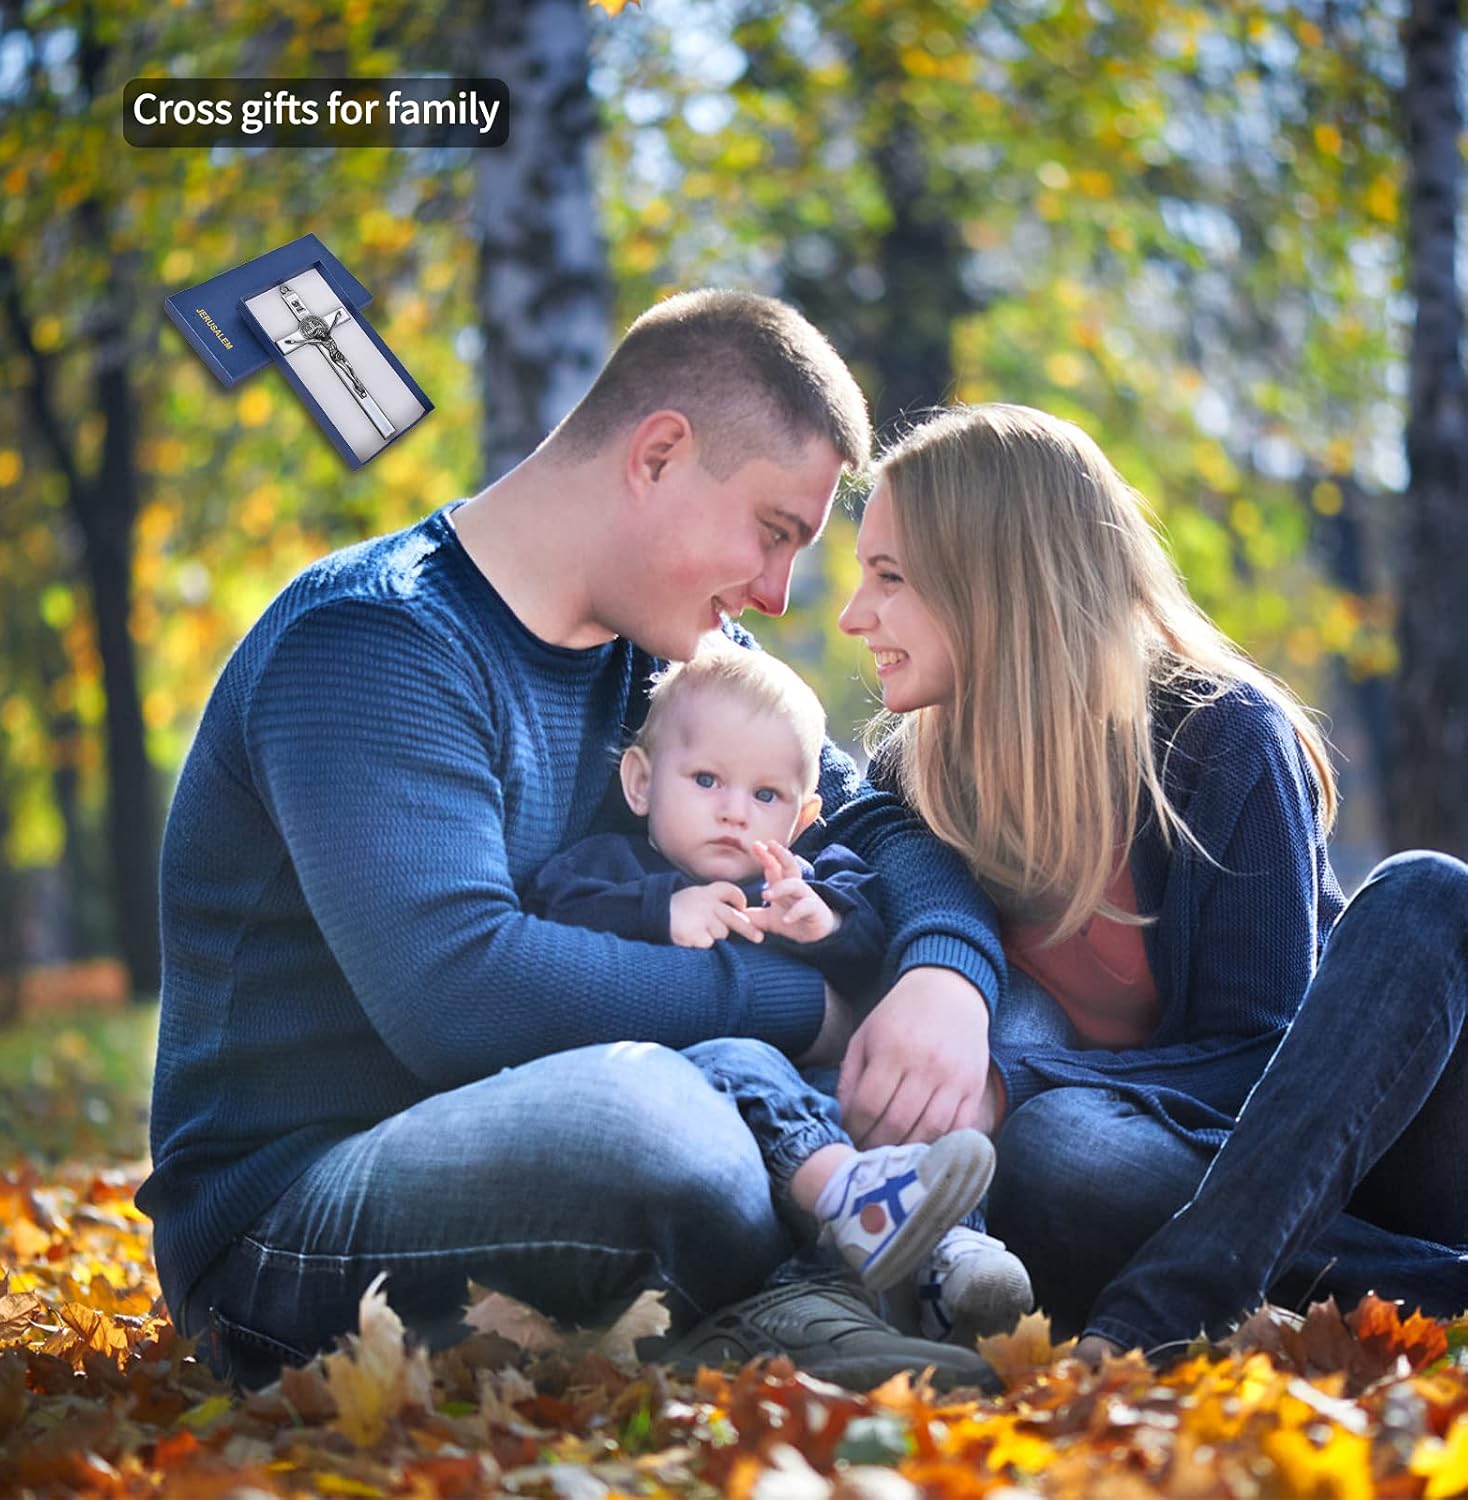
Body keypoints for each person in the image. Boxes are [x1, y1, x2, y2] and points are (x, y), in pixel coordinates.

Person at [137, 289, 1014, 1395]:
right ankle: (802, 1292)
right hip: (291, 1230)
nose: (780, 594)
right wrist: (816, 1009)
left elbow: (870, 820)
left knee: (954, 1048)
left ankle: (774, 1315)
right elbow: (464, 997)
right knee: (650, 1126)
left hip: (564, 1146)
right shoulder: (373, 643)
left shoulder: (676, 657)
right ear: (657, 455)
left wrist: (947, 973)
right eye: (774, 532)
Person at [831, 401, 1468, 1354]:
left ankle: (1161, 1314)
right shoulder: (915, 775)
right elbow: (846, 820)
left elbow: (1267, 1056)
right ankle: (1409, 1293)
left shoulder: (1220, 735)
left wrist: (1017, 1078)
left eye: (889, 577)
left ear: (997, 581)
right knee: (1059, 1157)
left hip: (1363, 1153)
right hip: (1173, 1179)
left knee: (1427, 890)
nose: (853, 615)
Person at [528, 640, 1032, 1333]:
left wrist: (822, 924)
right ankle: (857, 1217)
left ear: (800, 818)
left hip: (812, 1094)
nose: (734, 812)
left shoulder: (803, 879)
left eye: (765, 795)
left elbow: (871, 946)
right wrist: (661, 911)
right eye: (706, 780)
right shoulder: (612, 866)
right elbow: (556, 914)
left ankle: (951, 1252)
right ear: (642, 782)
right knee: (743, 1060)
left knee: (884, 1104)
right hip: (705, 1097)